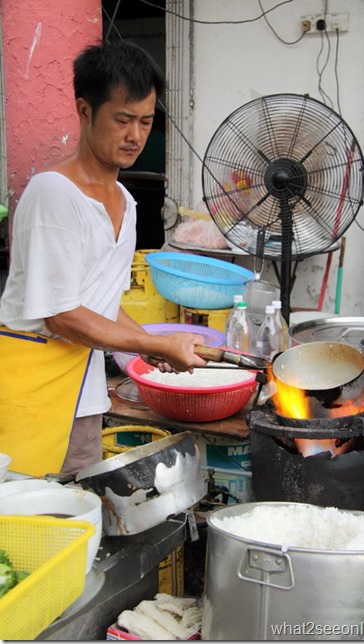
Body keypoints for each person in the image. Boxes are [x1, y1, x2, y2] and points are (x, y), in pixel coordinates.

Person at [0, 39, 207, 477]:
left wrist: (150, 347)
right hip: (32, 394)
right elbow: (61, 315)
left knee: (76, 521)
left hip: (84, 397)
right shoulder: (55, 194)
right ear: (84, 111)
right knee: (27, 531)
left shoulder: (125, 203)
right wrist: (153, 342)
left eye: (146, 121)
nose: (135, 136)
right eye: (123, 119)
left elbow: (99, 301)